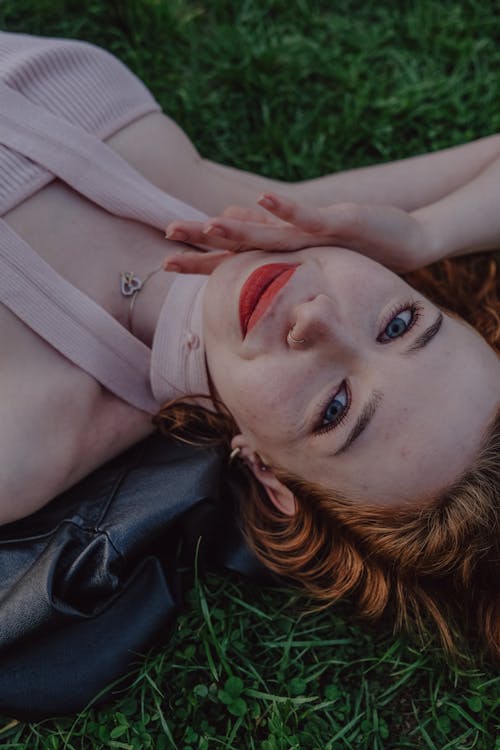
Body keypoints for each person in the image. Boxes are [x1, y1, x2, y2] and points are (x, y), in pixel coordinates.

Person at [0, 31, 498, 659]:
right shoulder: (287, 216)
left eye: (335, 410)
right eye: (401, 324)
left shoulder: (23, 443)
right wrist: (430, 231)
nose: (317, 319)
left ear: (267, 472)